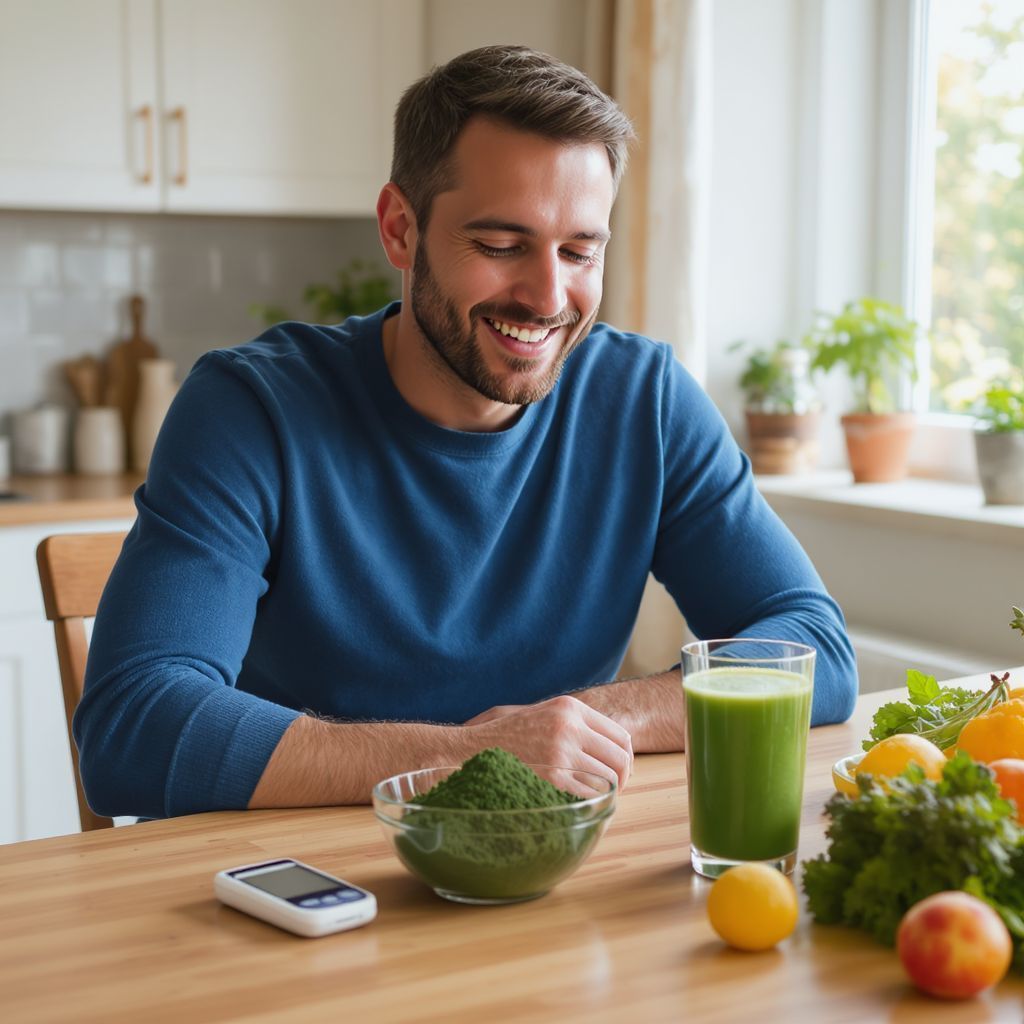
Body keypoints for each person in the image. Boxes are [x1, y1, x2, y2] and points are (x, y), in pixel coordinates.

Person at [76, 45, 857, 820]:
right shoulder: (251, 409)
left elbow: (817, 652)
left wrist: (591, 726)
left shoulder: (642, 400)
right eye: (500, 246)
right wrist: (470, 754)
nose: (549, 297)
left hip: (542, 876)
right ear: (399, 230)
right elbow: (133, 730)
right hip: (301, 892)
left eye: (580, 250)